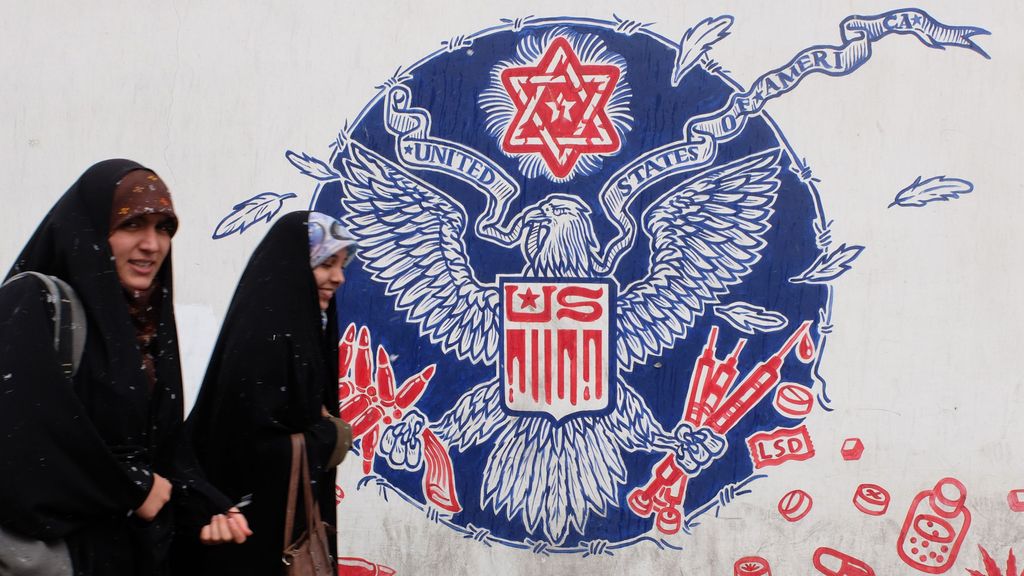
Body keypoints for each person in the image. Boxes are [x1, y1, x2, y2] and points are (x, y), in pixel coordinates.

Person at [0, 159, 249, 576]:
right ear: (93, 232)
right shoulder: (35, 304)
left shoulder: (148, 331)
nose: (152, 244)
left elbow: (163, 451)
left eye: (164, 228)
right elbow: (20, 444)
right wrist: (131, 488)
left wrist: (205, 504)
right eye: (132, 225)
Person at [180, 211, 355, 575]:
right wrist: (329, 436)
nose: (338, 277)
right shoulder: (263, 340)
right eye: (325, 263)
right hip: (245, 533)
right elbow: (245, 445)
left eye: (341, 264)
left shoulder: (304, 329)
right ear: (295, 267)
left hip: (282, 527)